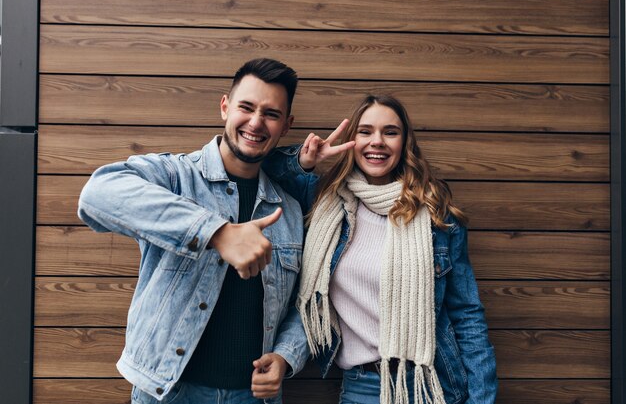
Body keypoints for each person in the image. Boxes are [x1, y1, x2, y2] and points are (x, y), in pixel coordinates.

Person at [78, 58, 309, 404]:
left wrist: (286, 355)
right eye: (246, 107)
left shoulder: (287, 210)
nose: (256, 122)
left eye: (271, 114)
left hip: (253, 396)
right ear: (224, 107)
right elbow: (97, 195)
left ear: (286, 125)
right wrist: (217, 232)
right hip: (168, 392)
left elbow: (305, 305)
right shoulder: (175, 177)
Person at [264, 94, 498, 404]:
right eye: (365, 132)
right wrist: (304, 161)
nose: (378, 141)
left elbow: (468, 316)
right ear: (352, 141)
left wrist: (482, 399)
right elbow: (262, 164)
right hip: (362, 387)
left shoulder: (437, 216)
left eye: (390, 132)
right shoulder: (323, 201)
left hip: (433, 385)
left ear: (404, 143)